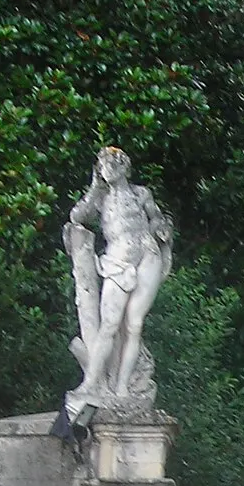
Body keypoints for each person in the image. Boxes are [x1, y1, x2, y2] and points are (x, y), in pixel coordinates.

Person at [66, 146, 172, 401]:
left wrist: (161, 228)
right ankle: (91, 383)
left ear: (123, 167)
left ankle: (123, 387)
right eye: (102, 166)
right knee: (110, 325)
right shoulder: (101, 198)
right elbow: (77, 217)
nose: (105, 170)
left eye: (109, 165)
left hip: (147, 255)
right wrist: (95, 187)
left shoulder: (140, 194)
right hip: (118, 260)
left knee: (134, 325)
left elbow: (157, 218)